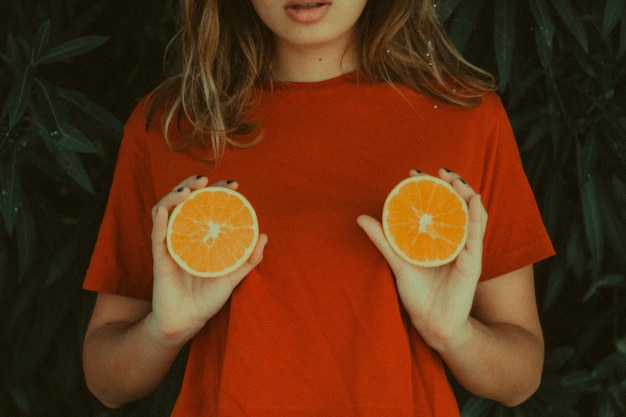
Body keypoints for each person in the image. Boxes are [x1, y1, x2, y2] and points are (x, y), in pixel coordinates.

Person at [82, 0, 555, 416]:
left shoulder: (468, 118)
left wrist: (452, 333)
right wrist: (164, 331)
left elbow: (520, 378)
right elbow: (106, 384)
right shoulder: (169, 127)